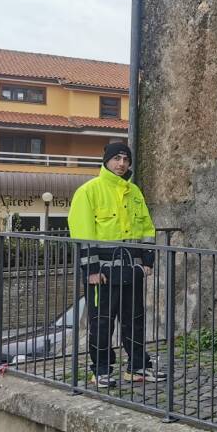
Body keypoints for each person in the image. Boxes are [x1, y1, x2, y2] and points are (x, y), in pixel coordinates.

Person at [68, 142, 160, 388]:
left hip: (131, 269)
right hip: (103, 273)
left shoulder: (135, 192)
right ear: (106, 160)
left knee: (135, 320)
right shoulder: (89, 191)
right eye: (117, 158)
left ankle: (138, 367)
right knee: (102, 323)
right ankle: (100, 370)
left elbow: (146, 228)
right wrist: (91, 271)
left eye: (126, 159)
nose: (121, 164)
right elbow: (83, 235)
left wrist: (147, 260)